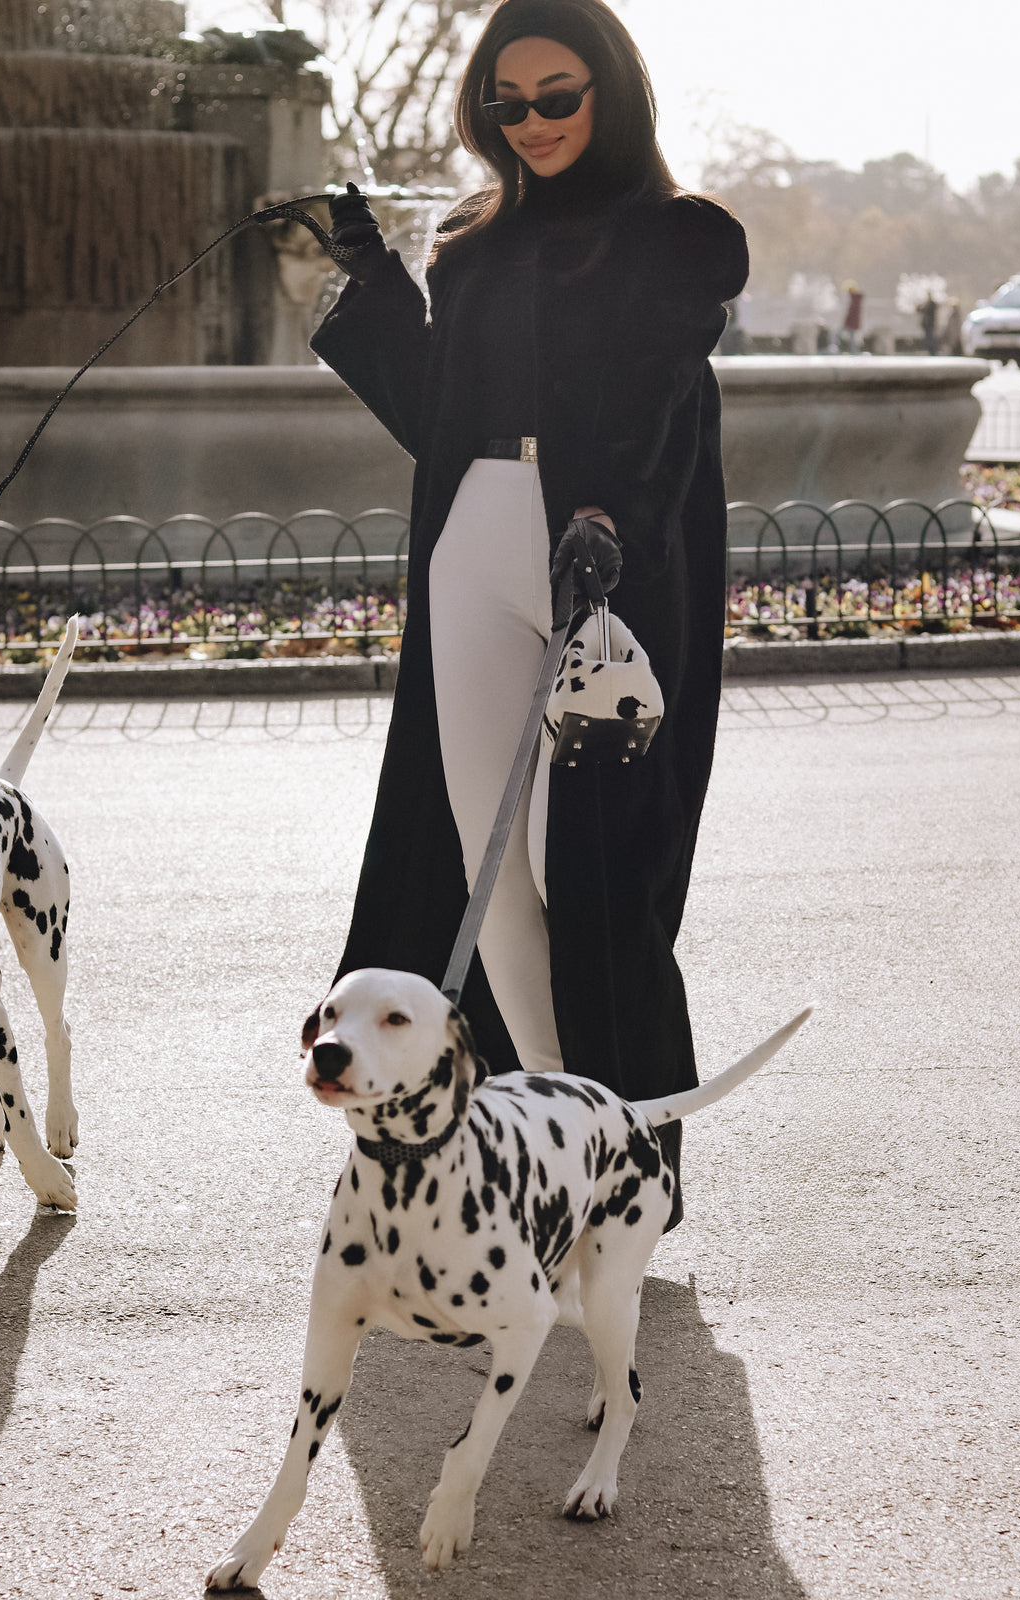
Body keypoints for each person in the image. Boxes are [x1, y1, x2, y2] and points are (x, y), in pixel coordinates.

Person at [309, 0, 748, 1220]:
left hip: (590, 555)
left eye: (558, 94)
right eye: (508, 102)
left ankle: (633, 1164)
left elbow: (659, 402)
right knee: (483, 863)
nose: (533, 120)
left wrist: (603, 516)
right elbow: (436, 414)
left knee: (592, 865)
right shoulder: (476, 244)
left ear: (610, 91)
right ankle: (549, 1147)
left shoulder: (670, 238)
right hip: (472, 542)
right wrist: (372, 275)